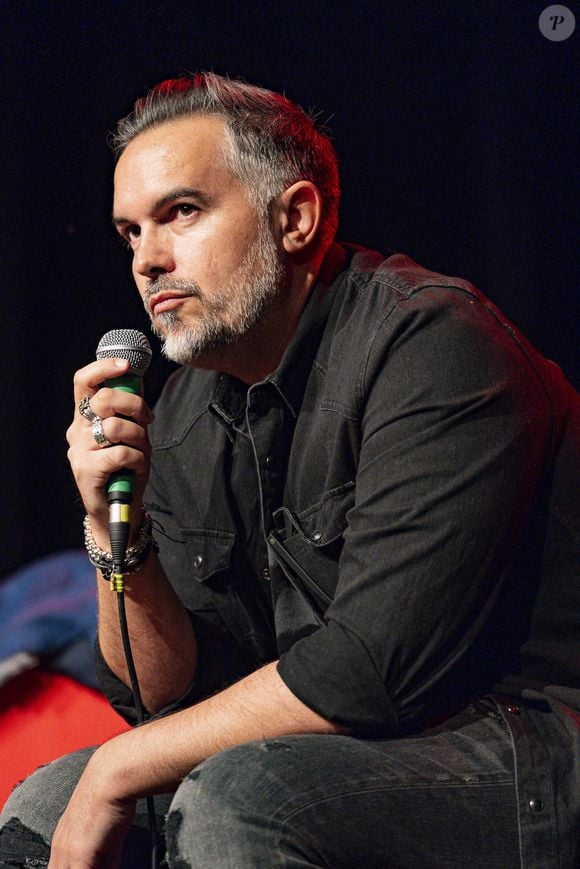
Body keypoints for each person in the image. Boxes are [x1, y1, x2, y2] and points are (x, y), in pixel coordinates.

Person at [0, 72, 578, 869]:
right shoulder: (186, 408)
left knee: (243, 800)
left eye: (181, 212)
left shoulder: (434, 345)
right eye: (130, 232)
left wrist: (119, 766)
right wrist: (106, 524)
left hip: (525, 740)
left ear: (296, 218)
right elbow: (161, 693)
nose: (148, 259)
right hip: (353, 747)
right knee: (43, 805)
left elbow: (369, 671)